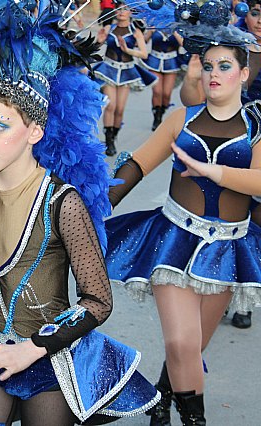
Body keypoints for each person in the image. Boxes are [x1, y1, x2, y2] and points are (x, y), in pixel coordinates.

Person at [0, 1, 161, 424]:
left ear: (35, 131)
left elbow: (98, 301)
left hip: (50, 352)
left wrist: (33, 348)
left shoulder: (63, 203)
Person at [105, 1, 261, 424]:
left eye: (225, 66)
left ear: (245, 73)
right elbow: (135, 167)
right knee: (180, 342)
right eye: (208, 65)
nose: (214, 74)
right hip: (172, 240)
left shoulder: (257, 127)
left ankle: (162, 393)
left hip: (227, 249)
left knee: (192, 347)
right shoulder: (181, 119)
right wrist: (91, 207)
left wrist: (213, 171)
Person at [179, 0, 261, 330]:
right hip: (238, 142)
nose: (260, 21)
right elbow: (193, 101)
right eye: (256, 12)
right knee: (238, 220)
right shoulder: (232, 48)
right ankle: (235, 296)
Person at [93, 1, 156, 156]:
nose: (121, 11)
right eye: (119, 8)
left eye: (125, 9)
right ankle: (108, 141)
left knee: (120, 109)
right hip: (108, 69)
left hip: (127, 72)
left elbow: (144, 53)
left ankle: (114, 134)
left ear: (131, 12)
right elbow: (94, 48)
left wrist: (128, 50)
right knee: (110, 106)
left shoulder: (136, 31)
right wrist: (98, 41)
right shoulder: (109, 28)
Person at [142, 28, 183, 130]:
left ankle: (162, 110)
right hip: (154, 61)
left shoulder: (179, 26)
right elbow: (141, 43)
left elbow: (184, 44)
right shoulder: (154, 24)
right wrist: (150, 32)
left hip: (171, 62)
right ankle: (157, 117)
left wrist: (175, 31)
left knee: (166, 93)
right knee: (157, 91)